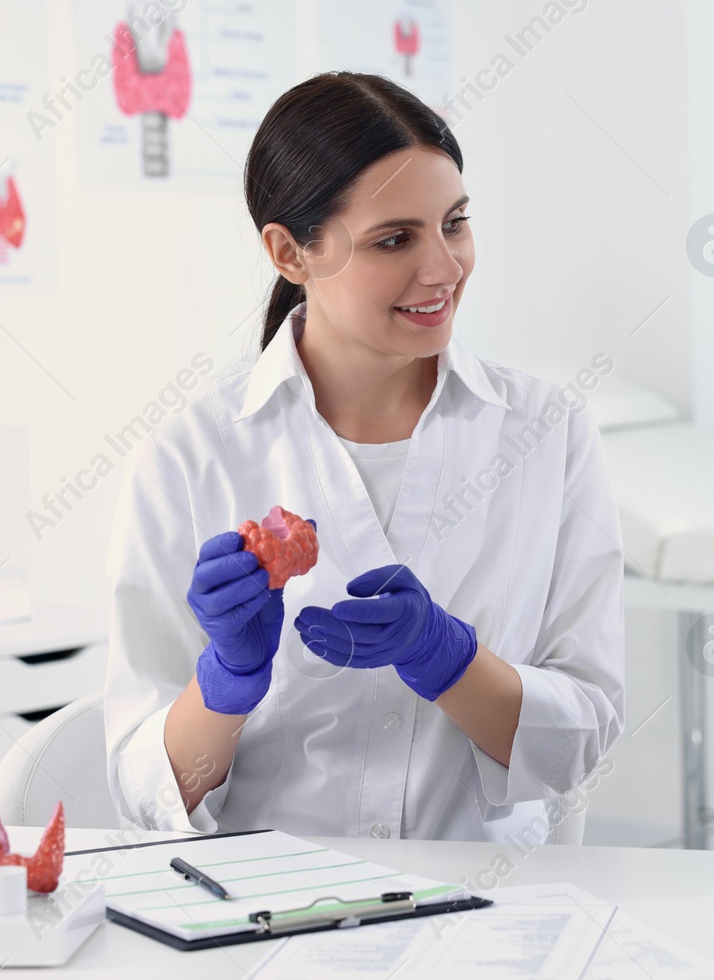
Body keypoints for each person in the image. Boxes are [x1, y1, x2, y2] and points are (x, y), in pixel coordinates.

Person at [103, 72, 625, 843]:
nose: (444, 266)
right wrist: (226, 681)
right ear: (288, 252)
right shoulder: (191, 452)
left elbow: (583, 739)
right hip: (271, 920)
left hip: (489, 916)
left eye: (455, 223)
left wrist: (450, 661)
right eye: (394, 239)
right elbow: (145, 795)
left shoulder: (545, 431)